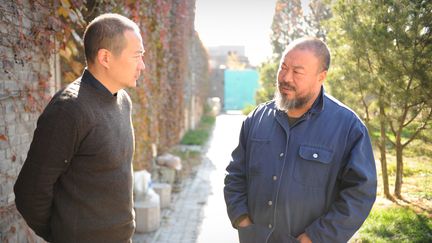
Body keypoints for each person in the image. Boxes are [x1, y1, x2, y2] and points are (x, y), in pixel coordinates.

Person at [224, 37, 377, 243]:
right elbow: (235, 174)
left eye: (297, 72)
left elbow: (360, 194)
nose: (286, 77)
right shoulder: (257, 118)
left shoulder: (348, 127)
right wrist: (243, 221)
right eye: (283, 67)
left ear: (321, 76)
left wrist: (316, 237)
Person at [14, 13, 145, 242]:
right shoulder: (69, 110)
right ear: (105, 57)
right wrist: (63, 234)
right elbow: (30, 192)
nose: (142, 65)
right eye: (137, 56)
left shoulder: (123, 100)